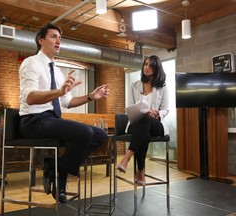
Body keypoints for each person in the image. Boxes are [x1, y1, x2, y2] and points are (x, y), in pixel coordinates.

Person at [18, 23, 109, 203]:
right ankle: (60, 176)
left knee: (100, 135)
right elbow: (30, 97)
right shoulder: (31, 62)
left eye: (60, 38)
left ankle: (57, 167)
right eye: (53, 36)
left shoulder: (58, 72)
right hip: (33, 121)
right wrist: (58, 92)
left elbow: (67, 102)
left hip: (51, 119)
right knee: (84, 132)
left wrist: (91, 97)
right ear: (41, 40)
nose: (58, 41)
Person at [116, 55, 169, 185]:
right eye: (145, 64)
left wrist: (157, 114)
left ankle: (126, 158)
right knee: (144, 127)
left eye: (151, 65)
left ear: (156, 68)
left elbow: (166, 109)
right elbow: (129, 107)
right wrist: (144, 112)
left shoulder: (162, 87)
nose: (147, 67)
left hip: (156, 124)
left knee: (147, 123)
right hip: (137, 122)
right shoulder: (134, 86)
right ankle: (140, 171)